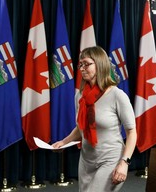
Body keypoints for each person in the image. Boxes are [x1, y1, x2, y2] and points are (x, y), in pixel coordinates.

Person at [52, 46, 137, 192]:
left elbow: (132, 133)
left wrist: (124, 163)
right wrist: (64, 142)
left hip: (110, 159)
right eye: (80, 65)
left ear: (100, 64)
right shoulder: (80, 96)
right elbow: (81, 128)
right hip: (86, 160)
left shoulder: (117, 95)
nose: (82, 68)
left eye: (86, 64)